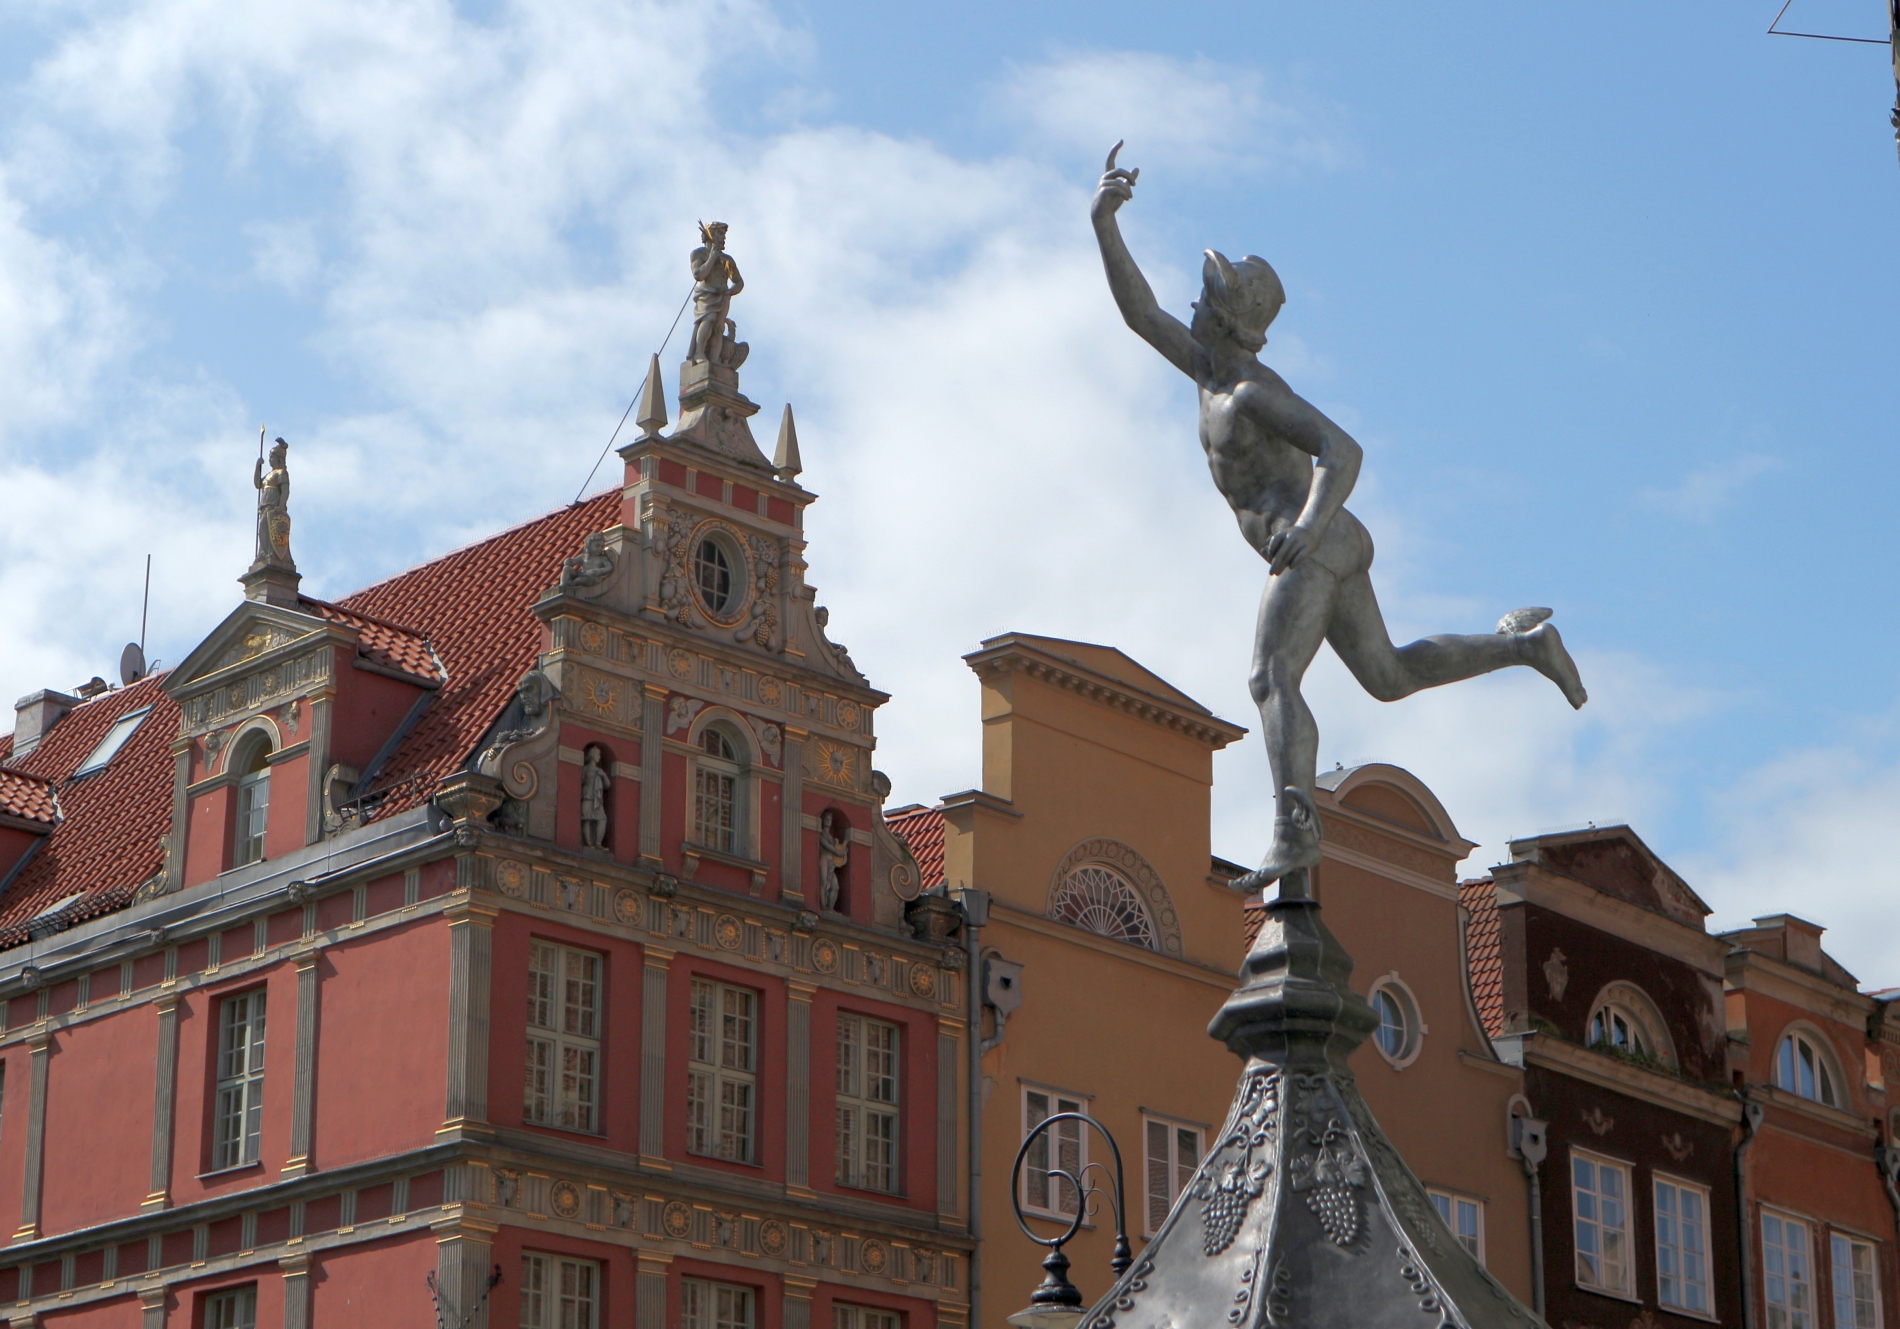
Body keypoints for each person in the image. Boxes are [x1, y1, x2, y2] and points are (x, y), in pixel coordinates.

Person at [1091, 145, 1586, 894]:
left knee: (1270, 676)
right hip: (1329, 544)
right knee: (1388, 675)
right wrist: (1104, 222)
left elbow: (1342, 451)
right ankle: (1523, 645)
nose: (1192, 304)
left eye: (1206, 298)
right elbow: (1139, 312)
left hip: (1315, 544)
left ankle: (1293, 831)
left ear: (1227, 319)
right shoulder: (1206, 370)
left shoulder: (1250, 392)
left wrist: (1308, 529)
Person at [688, 221, 747, 368]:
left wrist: (729, 292)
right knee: (708, 319)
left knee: (719, 328)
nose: (723, 238)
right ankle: (699, 353)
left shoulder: (727, 260)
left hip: (722, 297)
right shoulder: (699, 254)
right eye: (720, 234)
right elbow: (699, 275)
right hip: (707, 295)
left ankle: (714, 359)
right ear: (710, 235)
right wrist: (712, 257)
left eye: (724, 234)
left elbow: (739, 282)